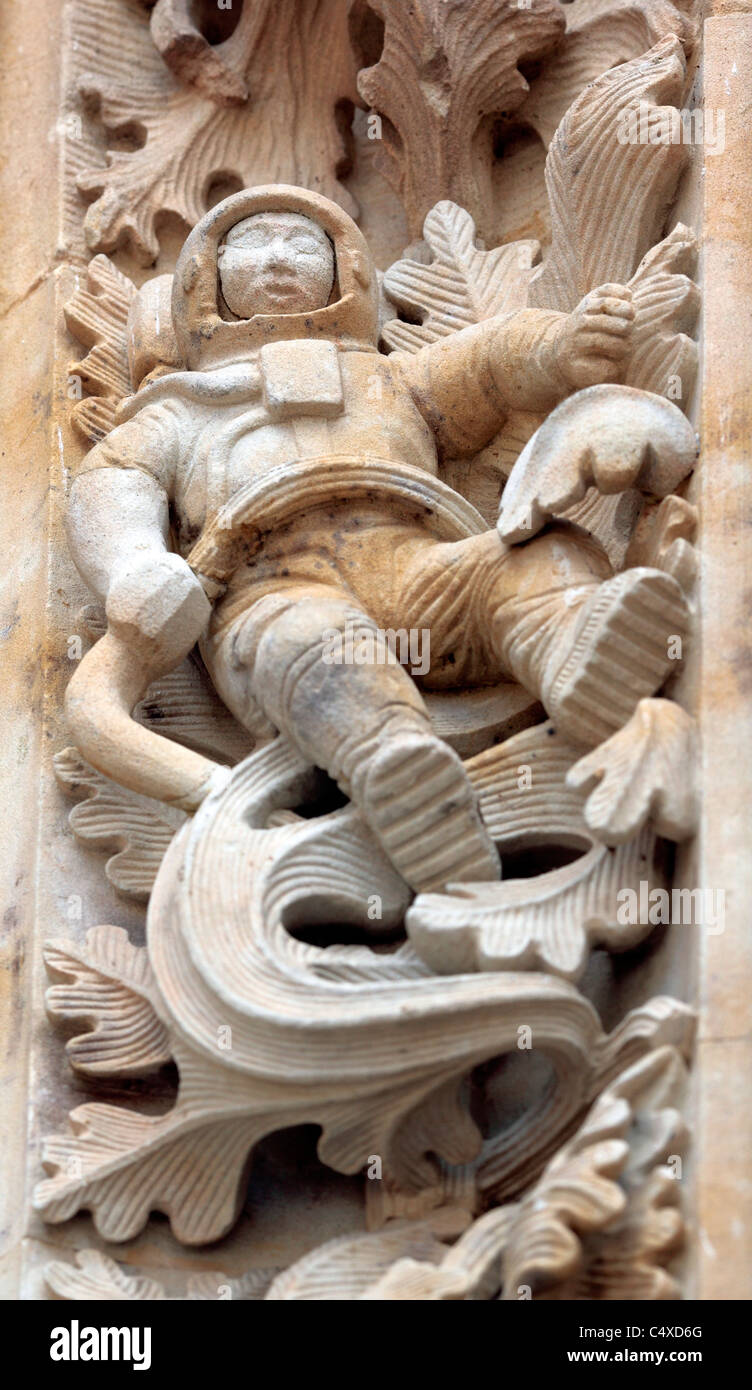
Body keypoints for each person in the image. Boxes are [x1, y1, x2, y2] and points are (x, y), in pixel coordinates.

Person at [66, 185, 688, 893]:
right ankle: (401, 777)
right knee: (317, 650)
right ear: (206, 277)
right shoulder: (180, 409)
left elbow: (486, 363)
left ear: (349, 271)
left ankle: (573, 650)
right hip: (273, 587)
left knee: (535, 557)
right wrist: (135, 566)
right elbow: (114, 480)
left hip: (417, 561)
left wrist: (561, 347)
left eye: (303, 243)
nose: (277, 257)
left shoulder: (389, 379)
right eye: (250, 244)